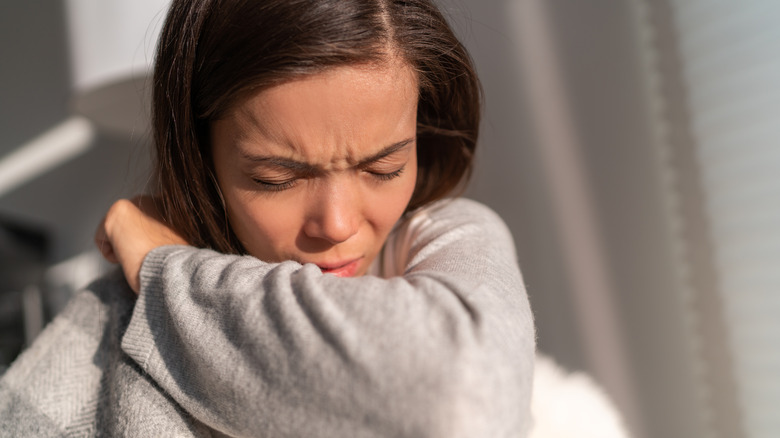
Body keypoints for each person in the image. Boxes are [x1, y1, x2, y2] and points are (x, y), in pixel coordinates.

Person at [0, 0, 535, 436]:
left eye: (384, 167)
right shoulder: (115, 317)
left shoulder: (443, 242)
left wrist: (166, 272)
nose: (338, 223)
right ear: (200, 157)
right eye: (276, 180)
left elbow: (466, 397)